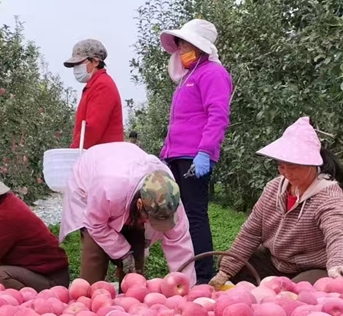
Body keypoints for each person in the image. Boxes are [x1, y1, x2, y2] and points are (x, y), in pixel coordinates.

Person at [210, 117, 343, 287]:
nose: (286, 173)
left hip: (311, 267)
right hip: (276, 262)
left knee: (297, 292)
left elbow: (339, 232)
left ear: (311, 163)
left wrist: (339, 263)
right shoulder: (274, 188)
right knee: (229, 261)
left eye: (293, 167)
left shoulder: (328, 195)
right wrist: (225, 272)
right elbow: (251, 232)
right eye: (281, 166)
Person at [159, 19, 233, 284]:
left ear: (201, 47)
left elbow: (218, 115)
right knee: (178, 215)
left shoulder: (213, 73)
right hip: (176, 155)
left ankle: (203, 275)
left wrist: (205, 151)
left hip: (194, 156)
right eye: (179, 45)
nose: (180, 50)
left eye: (185, 45)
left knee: (194, 214)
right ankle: (186, 272)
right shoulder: (189, 76)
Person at [61, 142, 196, 284]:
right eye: (152, 218)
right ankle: (88, 297)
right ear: (139, 205)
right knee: (95, 255)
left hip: (126, 173)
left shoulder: (169, 195)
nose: (151, 224)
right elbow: (96, 225)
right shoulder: (109, 188)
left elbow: (179, 242)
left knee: (135, 262)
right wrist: (122, 252)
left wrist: (187, 287)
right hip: (91, 178)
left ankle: (129, 299)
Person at [63, 39, 124, 150]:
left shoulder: (102, 86)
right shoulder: (94, 85)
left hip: (103, 158)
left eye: (79, 63)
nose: (76, 68)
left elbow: (91, 129)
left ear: (95, 62)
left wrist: (73, 154)